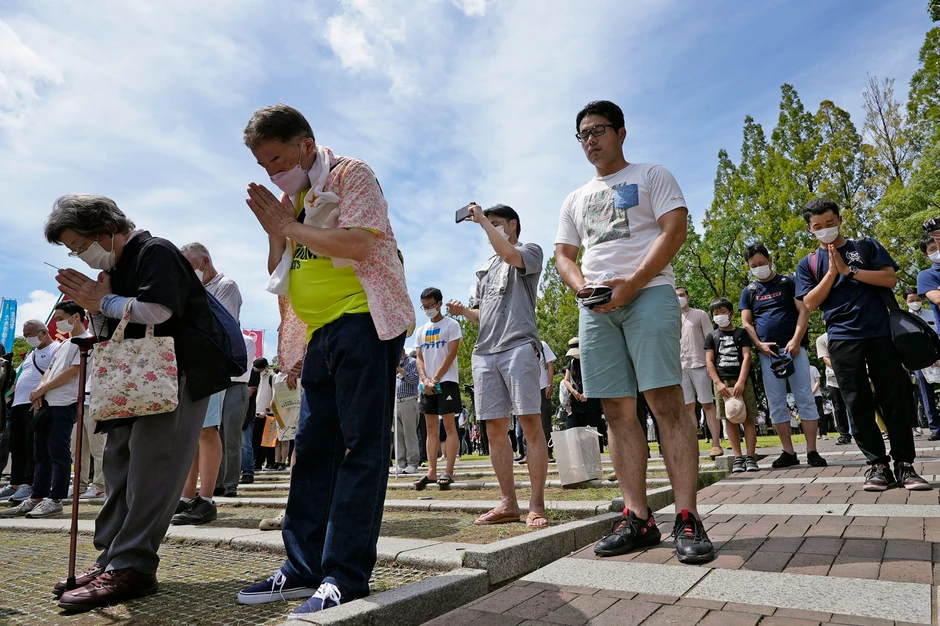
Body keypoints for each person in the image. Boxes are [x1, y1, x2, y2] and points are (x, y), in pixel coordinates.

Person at [237, 105, 412, 618]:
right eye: (263, 165)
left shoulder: (350, 173)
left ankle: (345, 574)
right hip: (317, 333)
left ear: (306, 145)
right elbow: (279, 268)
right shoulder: (290, 200)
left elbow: (358, 243)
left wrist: (288, 226)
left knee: (361, 448)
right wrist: (277, 230)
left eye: (277, 159)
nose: (272, 172)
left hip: (364, 320)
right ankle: (302, 565)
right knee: (312, 450)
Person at [44, 193, 233, 611]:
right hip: (131, 380)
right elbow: (113, 323)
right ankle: (112, 556)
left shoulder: (155, 251)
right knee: (119, 465)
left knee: (153, 468)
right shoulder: (117, 267)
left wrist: (101, 300)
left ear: (106, 230)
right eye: (73, 250)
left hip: (171, 375)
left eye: (80, 245)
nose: (81, 255)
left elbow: (160, 311)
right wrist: (98, 304)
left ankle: (134, 565)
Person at [554, 100, 714, 563]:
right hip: (596, 308)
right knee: (616, 410)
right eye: (583, 134)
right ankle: (638, 517)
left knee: (666, 401)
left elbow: (674, 230)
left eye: (598, 130)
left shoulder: (651, 175)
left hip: (648, 293)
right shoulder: (575, 198)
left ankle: (687, 516)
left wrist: (634, 283)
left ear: (621, 132)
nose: (590, 140)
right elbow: (565, 255)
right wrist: (583, 288)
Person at [796, 197, 930, 491]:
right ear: (809, 229)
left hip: (881, 333)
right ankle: (877, 465)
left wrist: (850, 271)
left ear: (839, 220)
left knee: (894, 398)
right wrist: (832, 273)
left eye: (830, 223)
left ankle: (904, 464)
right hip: (842, 338)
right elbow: (810, 302)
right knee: (857, 403)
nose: (825, 229)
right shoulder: (809, 263)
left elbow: (890, 279)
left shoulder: (866, 246)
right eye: (818, 226)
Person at [446, 203, 548, 528]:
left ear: (512, 224)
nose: (489, 226)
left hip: (518, 344)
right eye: (487, 222)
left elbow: (509, 254)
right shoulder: (485, 268)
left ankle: (536, 505)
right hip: (485, 352)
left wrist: (481, 221)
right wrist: (464, 312)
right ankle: (508, 503)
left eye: (496, 222)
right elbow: (482, 313)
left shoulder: (530, 250)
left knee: (530, 422)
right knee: (493, 428)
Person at [740, 243, 827, 468]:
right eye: (753, 265)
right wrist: (759, 344)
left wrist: (796, 341)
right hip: (768, 354)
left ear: (770, 260)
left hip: (793, 350)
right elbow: (746, 322)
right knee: (776, 403)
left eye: (762, 263)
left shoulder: (789, 282)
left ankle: (812, 450)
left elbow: (804, 311)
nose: (759, 268)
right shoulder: (749, 291)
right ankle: (788, 451)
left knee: (805, 398)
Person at [3, 301, 91, 520]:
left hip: (65, 403)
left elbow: (73, 371)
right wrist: (39, 391)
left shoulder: (87, 341)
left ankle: (56, 499)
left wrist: (44, 389)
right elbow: (50, 369)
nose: (58, 323)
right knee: (40, 453)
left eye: (60, 318)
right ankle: (36, 497)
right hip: (45, 404)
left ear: (76, 317)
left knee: (58, 452)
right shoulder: (64, 344)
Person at [180, 242, 249, 499]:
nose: (186, 271)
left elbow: (219, 325)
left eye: (190, 265)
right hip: (193, 365)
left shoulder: (225, 286)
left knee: (208, 429)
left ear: (205, 261)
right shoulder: (194, 288)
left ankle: (206, 497)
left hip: (211, 364)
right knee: (191, 433)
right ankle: (187, 495)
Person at [0, 320, 60, 504]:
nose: (27, 338)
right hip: (18, 404)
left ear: (43, 332)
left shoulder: (56, 349)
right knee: (16, 445)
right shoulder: (31, 354)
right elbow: (20, 377)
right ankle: (15, 483)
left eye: (30, 335)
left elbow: (54, 374)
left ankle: (30, 483)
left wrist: (41, 394)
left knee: (31, 445)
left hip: (35, 403)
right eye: (25, 335)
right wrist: (9, 397)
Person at [413, 287, 462, 490]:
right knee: (430, 428)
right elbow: (419, 358)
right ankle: (431, 471)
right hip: (427, 384)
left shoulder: (452, 325)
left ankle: (448, 471)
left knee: (449, 427)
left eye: (431, 305)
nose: (428, 309)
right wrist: (425, 379)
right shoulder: (421, 330)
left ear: (440, 304)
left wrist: (435, 378)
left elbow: (451, 354)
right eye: (424, 306)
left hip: (447, 382)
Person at [704, 297, 760, 473]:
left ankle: (751, 457)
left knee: (748, 417)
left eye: (723, 312)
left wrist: (742, 381)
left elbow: (747, 356)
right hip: (722, 382)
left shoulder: (742, 333)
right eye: (716, 313)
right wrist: (718, 383)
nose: (719, 315)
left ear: (731, 314)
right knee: (729, 418)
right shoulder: (711, 336)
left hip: (742, 380)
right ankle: (738, 457)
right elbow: (709, 361)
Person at [676, 287, 722, 458]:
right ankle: (692, 447)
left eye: (682, 295)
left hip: (700, 364)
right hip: (680, 367)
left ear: (688, 296)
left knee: (707, 404)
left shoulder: (700, 314)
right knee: (688, 407)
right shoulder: (671, 317)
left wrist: (712, 365)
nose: (679, 298)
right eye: (676, 296)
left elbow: (710, 340)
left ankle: (716, 444)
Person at [914, 237, 940, 441]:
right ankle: (935, 426)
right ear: (926, 254)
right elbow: (938, 299)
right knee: (925, 389)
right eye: (933, 248)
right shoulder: (927, 276)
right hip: (926, 351)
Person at [562, 338, 604, 454]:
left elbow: (597, 378)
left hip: (592, 402)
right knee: (578, 433)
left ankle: (595, 455)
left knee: (593, 431)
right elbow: (566, 380)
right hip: (576, 403)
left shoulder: (591, 360)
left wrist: (588, 392)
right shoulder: (571, 363)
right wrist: (573, 392)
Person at [816, 331, 851, 445]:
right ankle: (844, 434)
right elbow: (825, 358)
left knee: (855, 405)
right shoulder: (822, 339)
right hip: (833, 378)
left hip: (851, 375)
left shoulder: (847, 333)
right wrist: (839, 367)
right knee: (838, 407)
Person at [392, 349, 420, 474]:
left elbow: (414, 380)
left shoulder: (412, 362)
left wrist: (401, 371)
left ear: (403, 353)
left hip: (409, 400)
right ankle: (400, 463)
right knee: (398, 435)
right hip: (396, 401)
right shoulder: (393, 363)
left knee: (410, 434)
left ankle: (413, 464)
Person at [537, 340, 557, 461]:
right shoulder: (519, 345)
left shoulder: (541, 344)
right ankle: (528, 453)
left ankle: (548, 453)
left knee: (545, 422)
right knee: (527, 420)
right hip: (527, 389)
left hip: (542, 387)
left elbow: (550, 365)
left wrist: (549, 385)